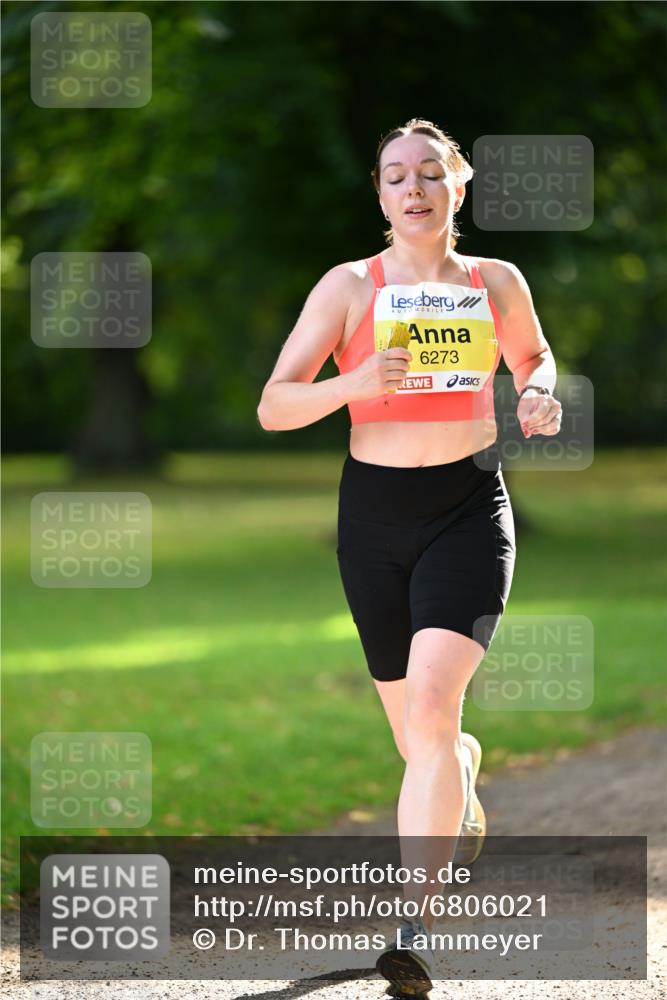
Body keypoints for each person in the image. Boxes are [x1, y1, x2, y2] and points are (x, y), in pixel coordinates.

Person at [257, 117, 562, 996]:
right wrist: (354, 384)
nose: (413, 188)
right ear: (381, 195)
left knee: (431, 707)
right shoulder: (349, 287)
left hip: (467, 509)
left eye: (430, 172)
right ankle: (461, 771)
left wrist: (535, 395)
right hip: (374, 521)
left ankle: (413, 930)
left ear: (456, 187)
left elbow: (533, 359)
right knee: (419, 739)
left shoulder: (492, 281)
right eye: (396, 176)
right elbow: (275, 406)